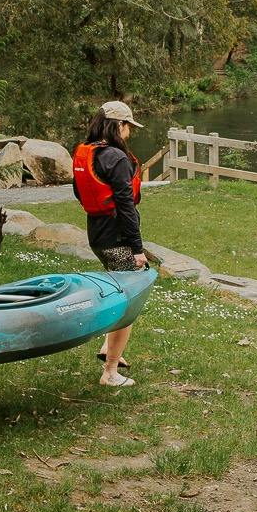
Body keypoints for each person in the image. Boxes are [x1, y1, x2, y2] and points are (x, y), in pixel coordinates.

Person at [71, 99, 149, 388]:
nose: (130, 132)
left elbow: (79, 192)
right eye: (129, 126)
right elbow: (126, 205)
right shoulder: (116, 158)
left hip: (97, 235)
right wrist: (137, 249)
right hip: (118, 238)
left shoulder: (86, 153)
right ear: (118, 125)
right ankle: (110, 371)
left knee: (120, 291)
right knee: (130, 300)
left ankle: (108, 348)